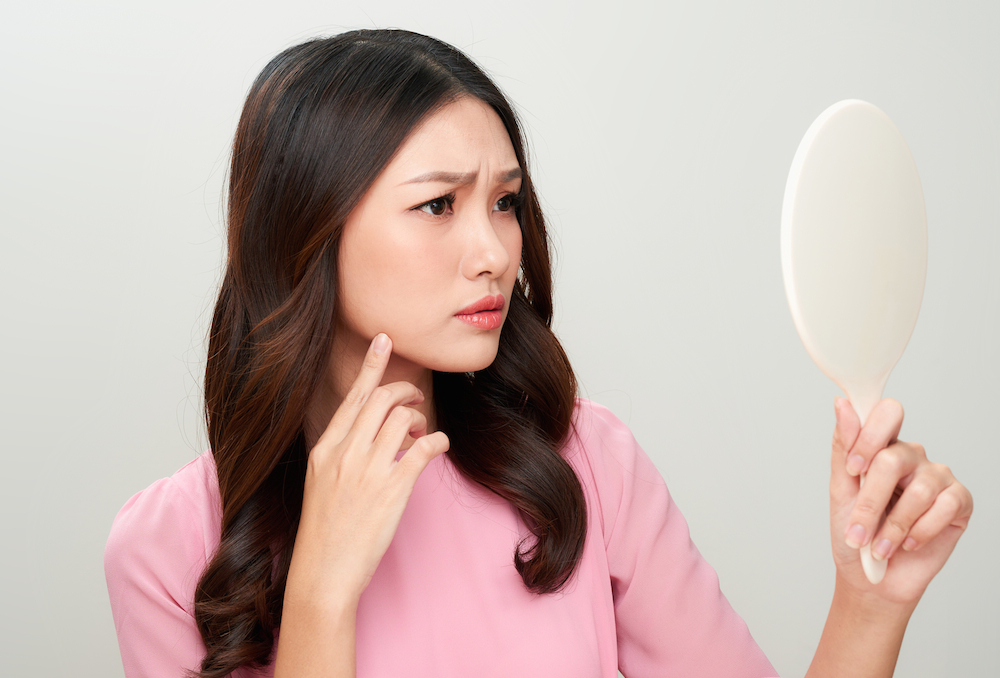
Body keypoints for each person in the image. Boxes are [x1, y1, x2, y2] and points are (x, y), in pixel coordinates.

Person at [104, 29, 972, 678]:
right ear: (308, 232)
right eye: (439, 205)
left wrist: (871, 600)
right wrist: (322, 598)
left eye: (507, 202)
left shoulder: (589, 464)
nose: (494, 251)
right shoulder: (166, 549)